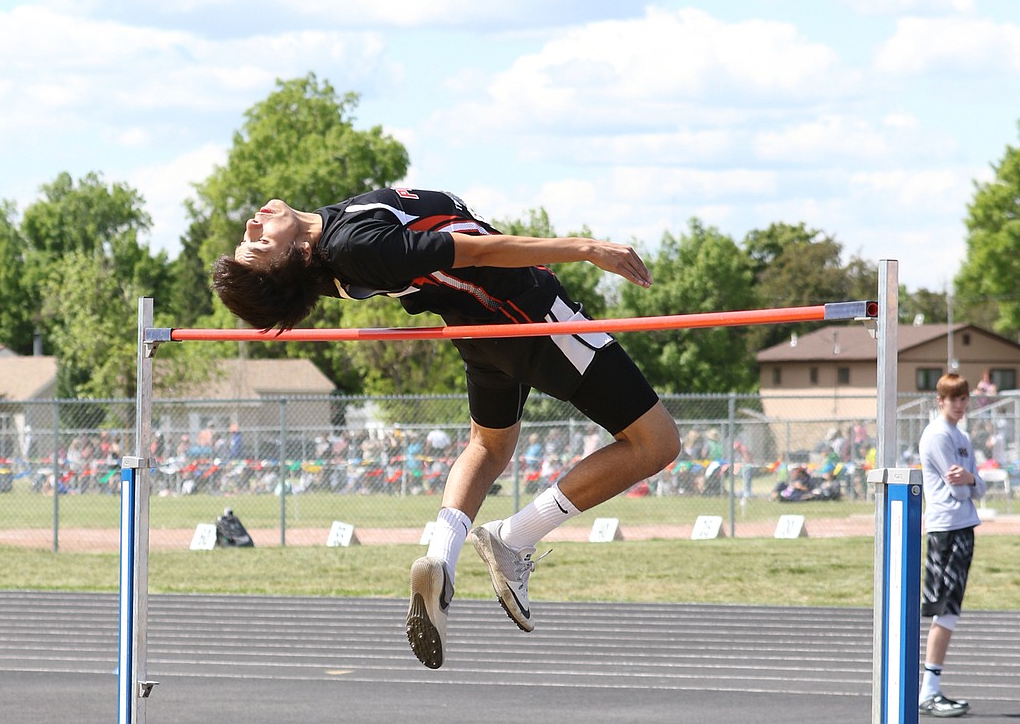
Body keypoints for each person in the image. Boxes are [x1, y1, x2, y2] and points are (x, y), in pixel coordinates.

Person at [212, 188, 680, 669]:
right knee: (656, 443)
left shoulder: (331, 239)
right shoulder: (355, 247)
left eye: (250, 238)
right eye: (261, 243)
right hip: (527, 316)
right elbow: (479, 251)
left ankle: (440, 558)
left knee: (490, 446)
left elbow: (306, 284)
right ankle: (515, 535)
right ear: (298, 254)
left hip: (476, 327)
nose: (252, 225)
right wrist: (587, 248)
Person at [917, 373, 985, 718]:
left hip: (963, 526)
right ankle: (928, 691)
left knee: (951, 610)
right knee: (945, 610)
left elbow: (976, 485)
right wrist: (971, 482)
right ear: (939, 401)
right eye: (953, 399)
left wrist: (972, 479)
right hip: (946, 529)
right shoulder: (938, 435)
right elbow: (960, 490)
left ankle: (931, 687)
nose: (959, 405)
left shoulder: (961, 435)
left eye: (963, 398)